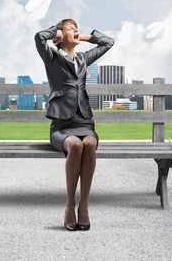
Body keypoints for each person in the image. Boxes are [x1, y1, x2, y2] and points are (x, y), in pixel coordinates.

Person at [34, 19, 115, 231]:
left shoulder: (82, 58)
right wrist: (57, 32)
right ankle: (70, 206)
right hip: (61, 127)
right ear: (60, 36)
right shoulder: (51, 56)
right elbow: (39, 37)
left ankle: (84, 205)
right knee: (76, 146)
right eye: (71, 28)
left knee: (88, 144)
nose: (76, 30)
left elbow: (108, 42)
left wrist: (85, 36)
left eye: (76, 27)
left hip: (85, 122)